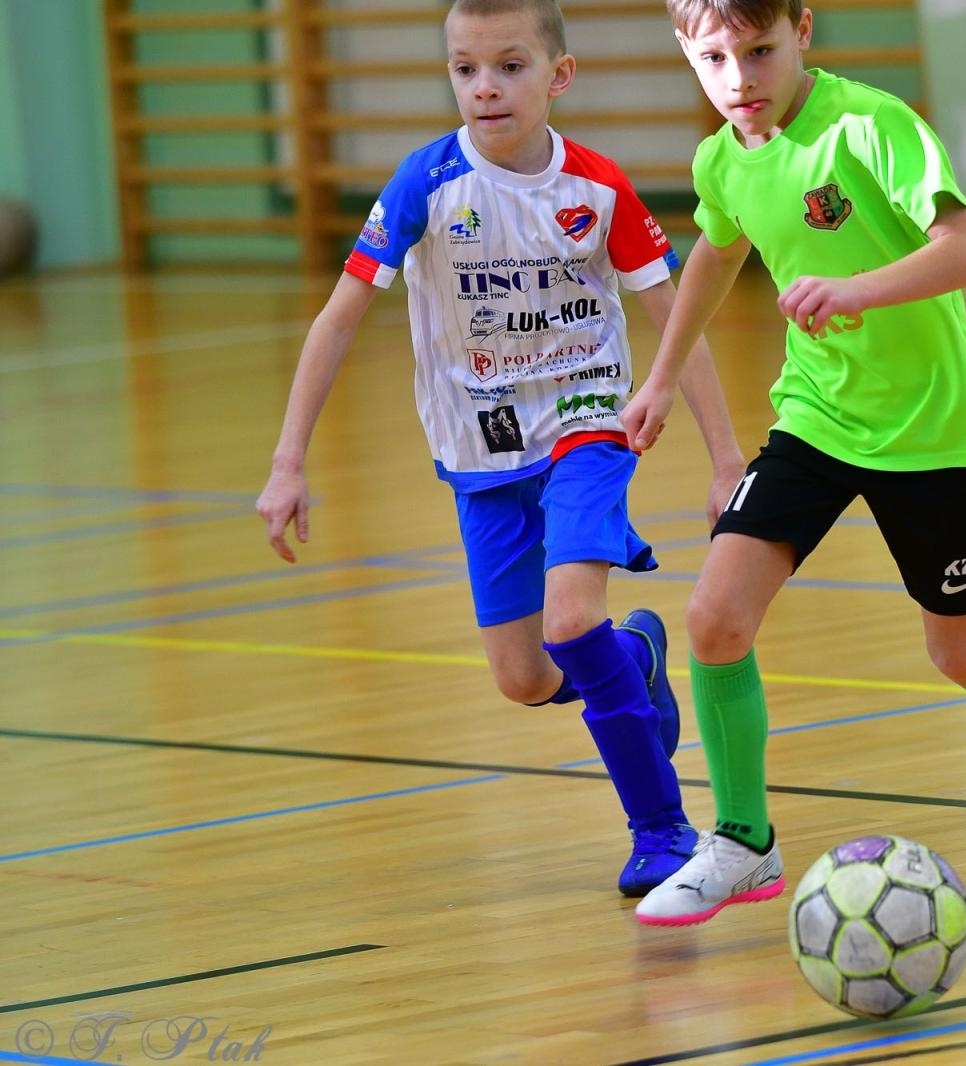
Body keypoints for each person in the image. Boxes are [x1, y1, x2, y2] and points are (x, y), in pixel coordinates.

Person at [254, 0, 746, 898]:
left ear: (558, 77)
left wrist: (724, 458)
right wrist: (289, 461)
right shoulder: (423, 184)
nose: (485, 87)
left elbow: (682, 321)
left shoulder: (598, 190)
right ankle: (633, 661)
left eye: (510, 66)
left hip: (587, 423)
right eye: (465, 68)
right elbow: (336, 319)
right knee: (525, 677)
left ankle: (666, 834)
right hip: (480, 452)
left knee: (568, 619)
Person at [623, 0, 966, 927]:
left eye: (759, 50)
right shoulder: (722, 157)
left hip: (935, 429)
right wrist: (662, 378)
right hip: (818, 418)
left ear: (804, 32)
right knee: (713, 619)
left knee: (959, 650)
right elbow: (717, 251)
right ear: (687, 53)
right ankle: (744, 843)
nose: (740, 79)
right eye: (715, 58)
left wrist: (854, 289)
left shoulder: (871, 127)